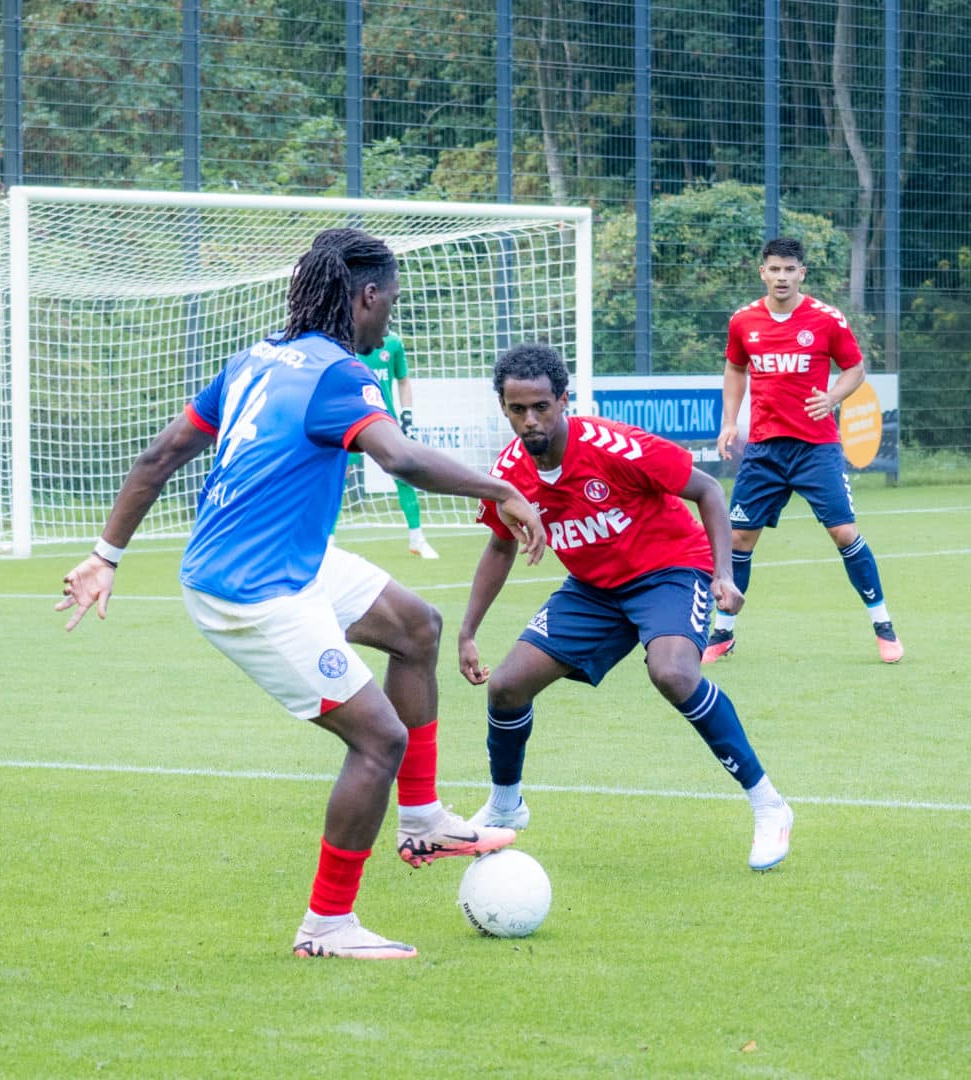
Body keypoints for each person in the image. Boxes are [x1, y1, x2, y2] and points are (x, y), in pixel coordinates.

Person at [56, 228, 547, 961]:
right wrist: (500, 486)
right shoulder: (341, 374)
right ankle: (327, 927)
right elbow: (400, 456)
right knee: (377, 737)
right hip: (251, 590)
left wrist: (106, 556)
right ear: (368, 297)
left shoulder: (255, 360)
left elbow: (161, 456)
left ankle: (422, 818)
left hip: (288, 559)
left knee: (417, 626)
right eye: (391, 304)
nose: (390, 320)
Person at [460, 342, 794, 872]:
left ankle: (769, 805)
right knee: (506, 685)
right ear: (504, 408)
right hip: (595, 589)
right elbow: (501, 543)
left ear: (563, 400)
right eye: (517, 409)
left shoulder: (613, 446)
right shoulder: (508, 473)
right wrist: (468, 631)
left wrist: (724, 574)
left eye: (541, 407)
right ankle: (506, 806)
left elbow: (706, 489)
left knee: (673, 673)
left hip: (669, 569)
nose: (530, 420)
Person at [707, 236, 903, 665]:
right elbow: (735, 369)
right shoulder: (743, 321)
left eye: (789, 269)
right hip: (764, 449)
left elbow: (855, 368)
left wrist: (832, 398)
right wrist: (728, 421)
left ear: (802, 273)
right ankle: (723, 633)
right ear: (763, 272)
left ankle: (883, 624)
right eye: (774, 269)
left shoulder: (826, 319)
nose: (781, 276)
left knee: (843, 532)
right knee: (738, 537)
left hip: (816, 448)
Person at [345, 332, 439, 559]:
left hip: (384, 421)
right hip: (351, 420)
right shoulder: (345, 340)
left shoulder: (393, 343)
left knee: (404, 474)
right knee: (338, 477)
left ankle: (417, 538)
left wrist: (407, 415)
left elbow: (403, 381)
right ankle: (327, 541)